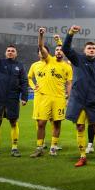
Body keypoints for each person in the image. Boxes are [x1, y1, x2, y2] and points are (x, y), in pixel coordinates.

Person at [62, 26, 95, 167]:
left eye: (93, 48)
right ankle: (83, 156)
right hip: (78, 101)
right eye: (88, 48)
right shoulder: (78, 59)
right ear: (84, 51)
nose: (91, 49)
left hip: (93, 101)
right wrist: (70, 34)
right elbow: (65, 49)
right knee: (80, 127)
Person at [29, 28, 72, 158]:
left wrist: (68, 96)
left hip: (59, 98)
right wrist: (41, 34)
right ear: (54, 53)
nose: (59, 52)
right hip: (45, 98)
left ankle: (53, 147)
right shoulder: (49, 60)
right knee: (41, 123)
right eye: (57, 50)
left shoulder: (67, 67)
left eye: (61, 50)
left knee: (57, 123)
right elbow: (41, 47)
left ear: (64, 53)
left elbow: (69, 83)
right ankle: (39, 147)